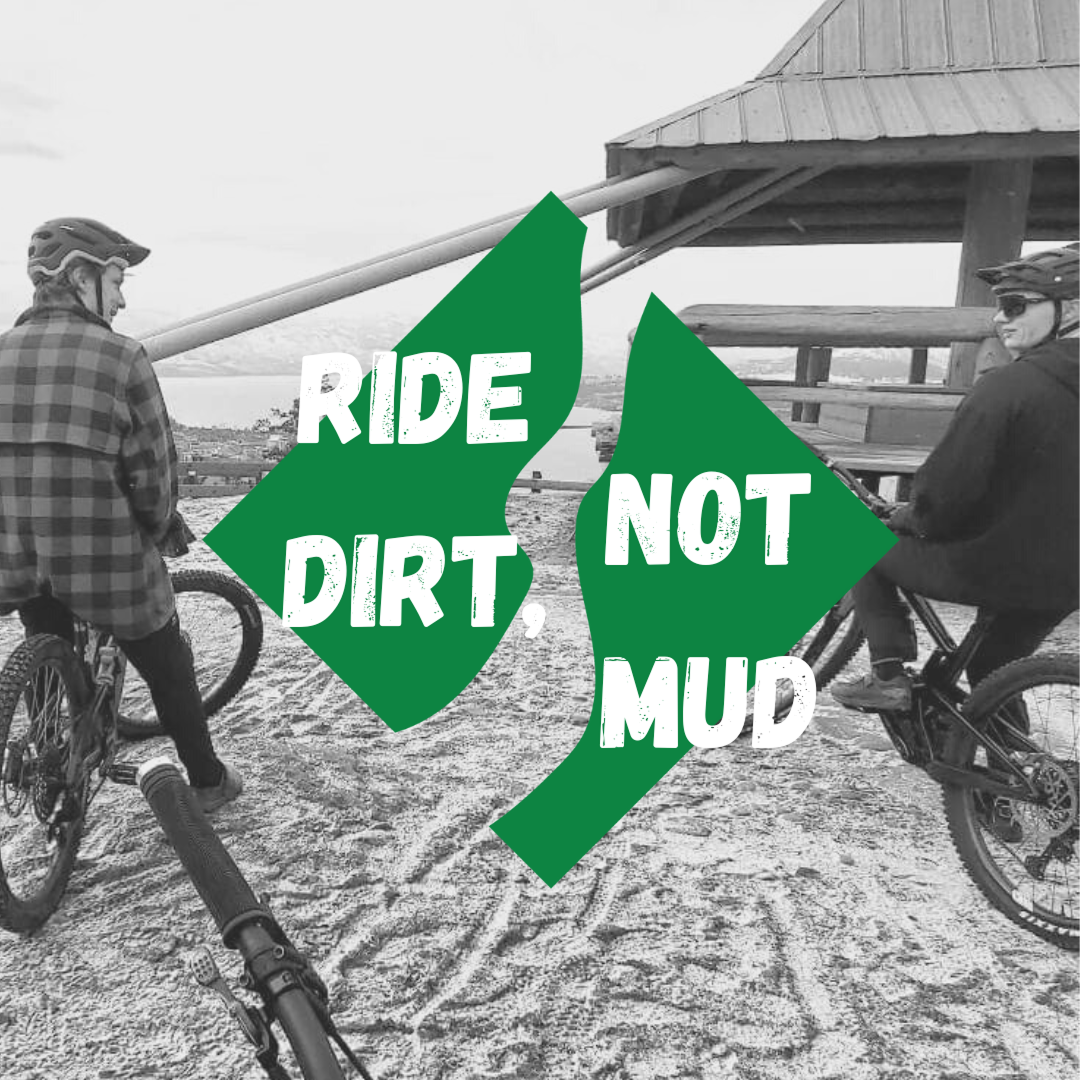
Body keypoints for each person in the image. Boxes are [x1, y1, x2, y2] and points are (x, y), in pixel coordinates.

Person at [0, 218, 241, 811]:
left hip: (14, 551)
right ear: (81, 277)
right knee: (166, 659)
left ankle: (50, 757)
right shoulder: (121, 357)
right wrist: (159, 530)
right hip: (100, 557)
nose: (123, 299)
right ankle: (208, 780)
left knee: (43, 630)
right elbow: (153, 473)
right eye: (117, 280)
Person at [832, 243, 1079, 714]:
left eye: (1015, 305)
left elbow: (944, 499)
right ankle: (1009, 758)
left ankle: (888, 675)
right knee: (994, 670)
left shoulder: (1007, 388)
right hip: (1068, 577)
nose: (1000, 319)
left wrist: (906, 516)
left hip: (997, 567)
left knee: (859, 542)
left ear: (1070, 310)